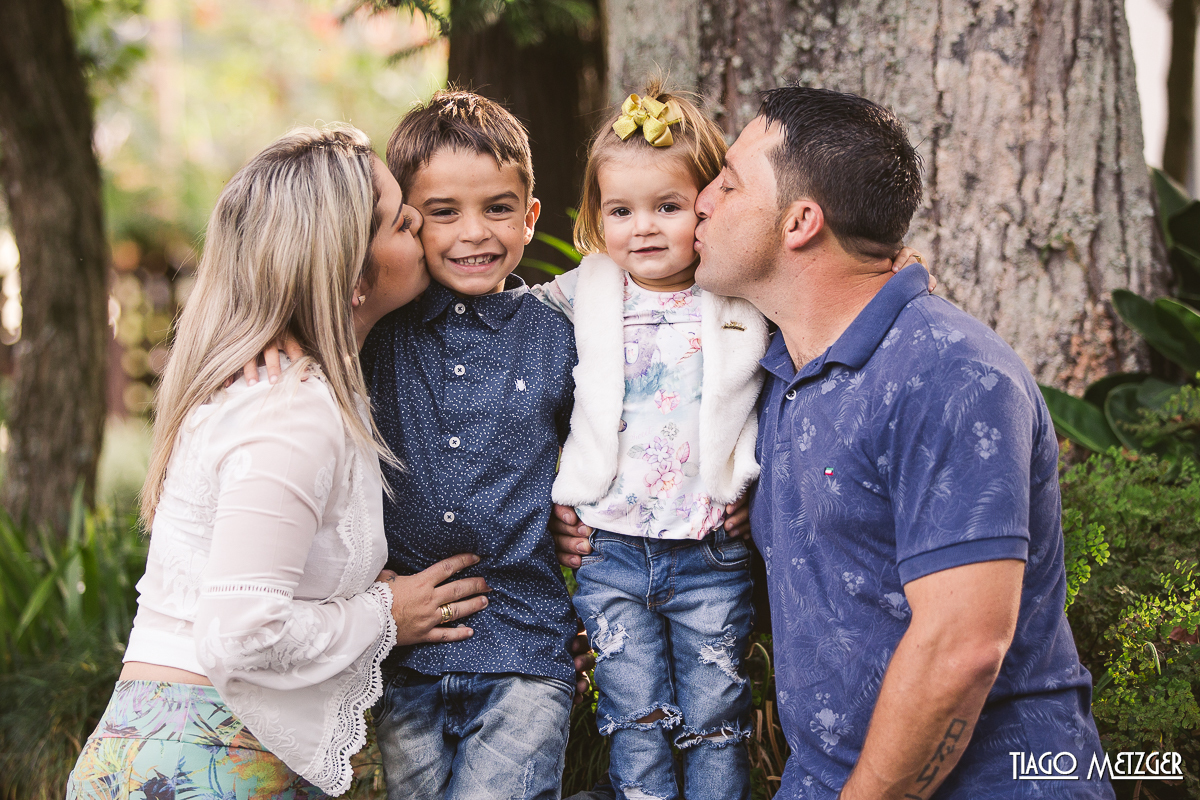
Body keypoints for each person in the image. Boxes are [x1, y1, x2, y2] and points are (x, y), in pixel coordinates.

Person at [687, 87, 1112, 798]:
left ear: (800, 222)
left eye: (728, 183)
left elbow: (962, 648)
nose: (701, 200)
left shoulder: (951, 374)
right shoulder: (776, 369)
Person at [66, 125, 489, 799]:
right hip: (203, 763)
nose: (422, 229)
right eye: (403, 223)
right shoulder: (288, 411)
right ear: (350, 273)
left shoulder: (294, 393)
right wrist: (385, 613)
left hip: (188, 749)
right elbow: (240, 632)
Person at [532, 83, 768, 800]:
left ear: (707, 206)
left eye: (668, 206)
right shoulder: (587, 291)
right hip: (610, 551)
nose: (644, 228)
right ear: (596, 217)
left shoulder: (737, 292)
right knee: (631, 715)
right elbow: (495, 318)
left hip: (708, 550)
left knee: (716, 717)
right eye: (621, 210)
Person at [358, 90, 579, 800]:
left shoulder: (560, 333)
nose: (474, 233)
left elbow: (625, 435)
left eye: (498, 208)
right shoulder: (375, 333)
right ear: (406, 222)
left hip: (524, 644)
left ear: (531, 216)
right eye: (444, 212)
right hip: (404, 653)